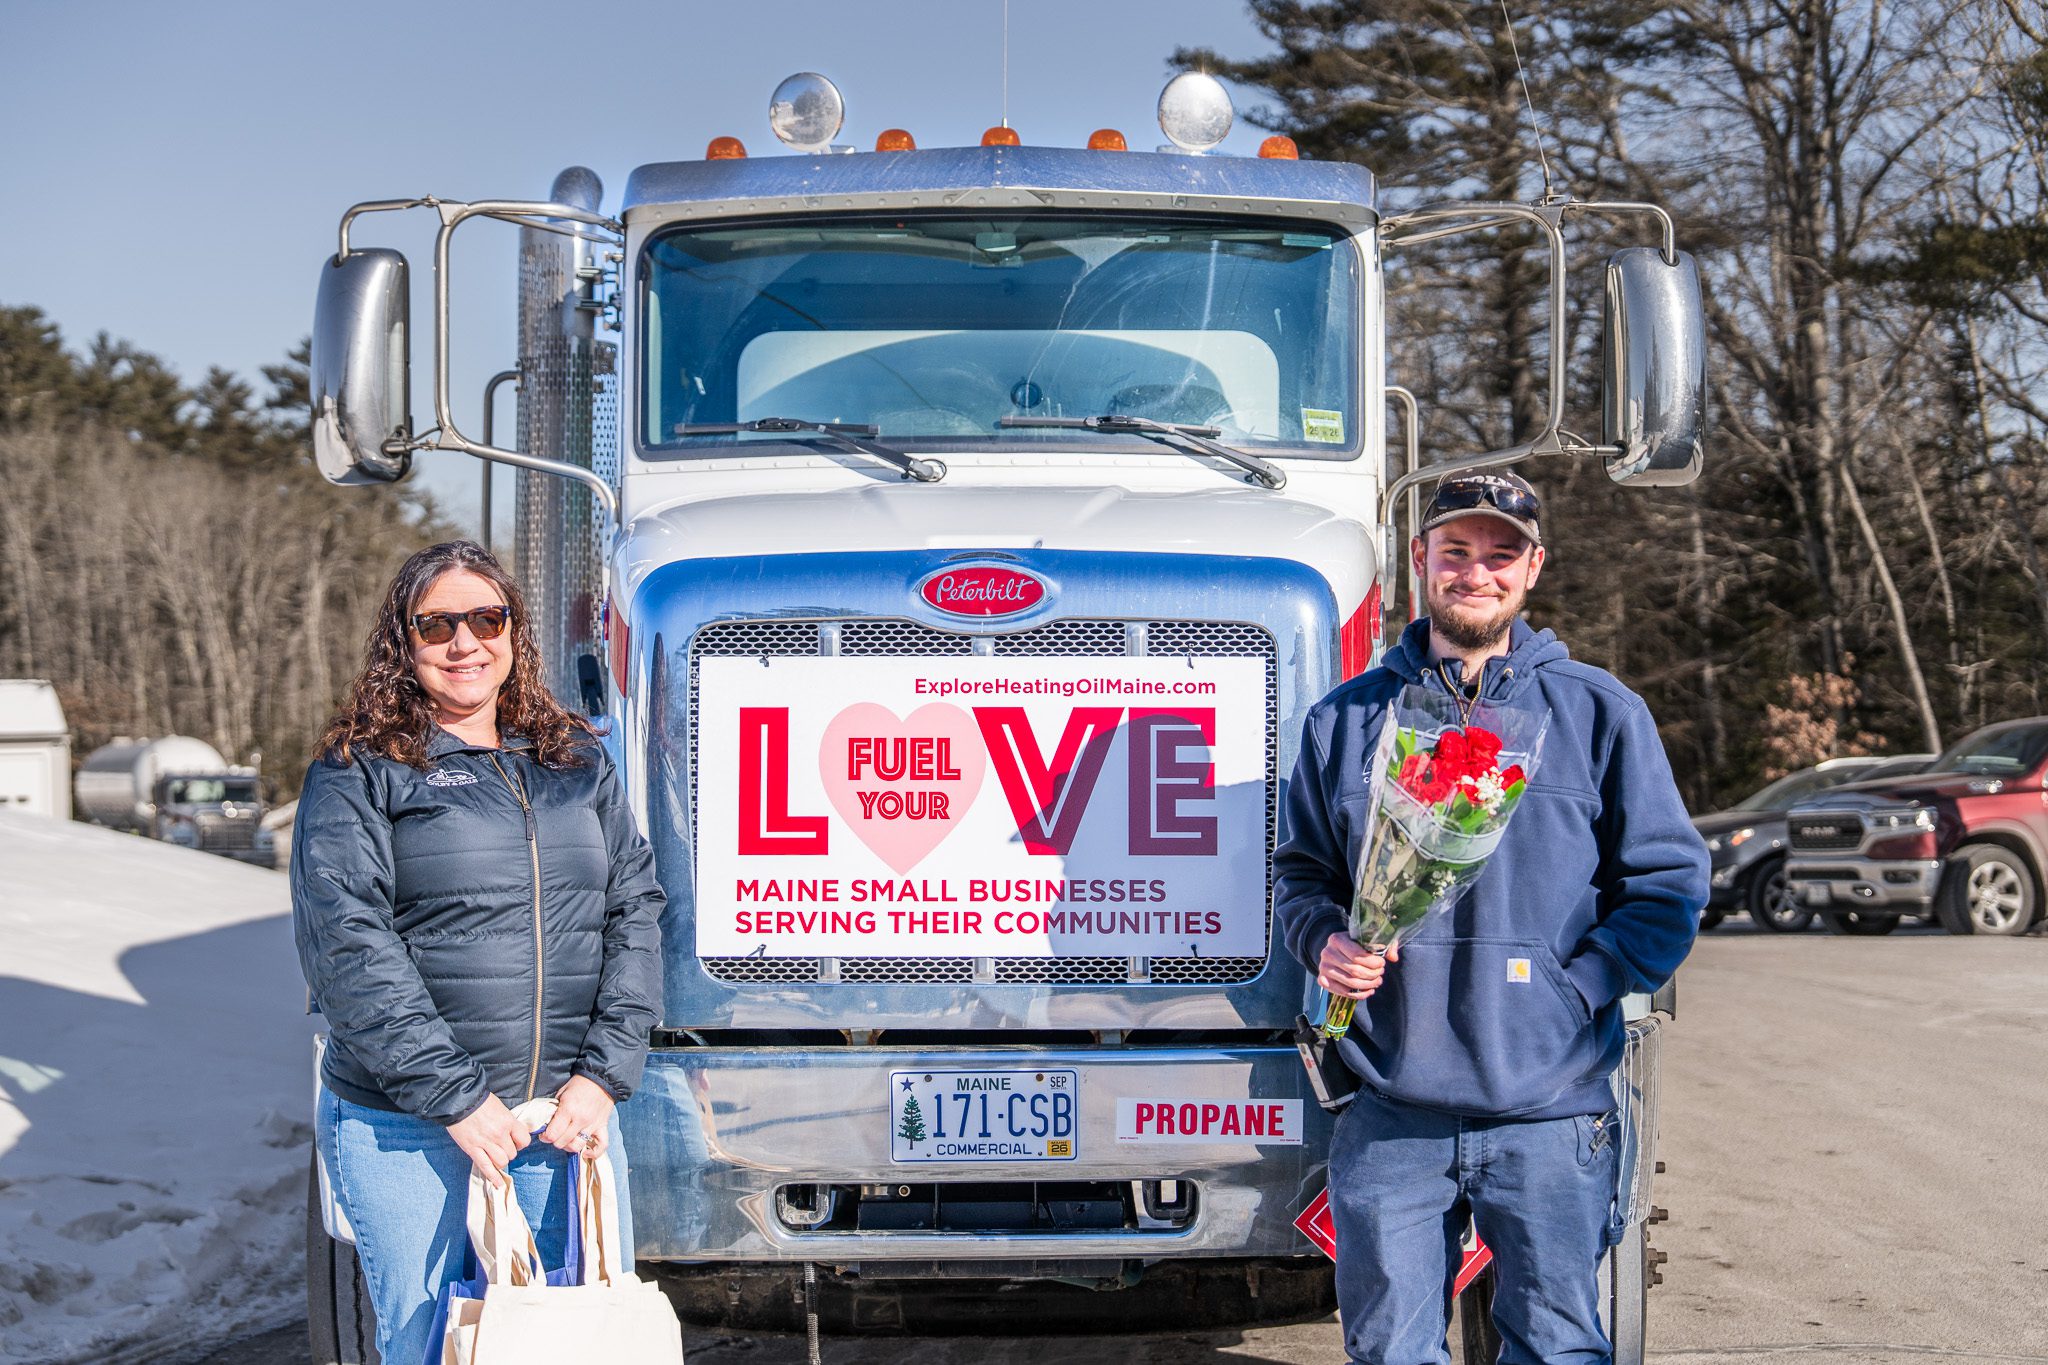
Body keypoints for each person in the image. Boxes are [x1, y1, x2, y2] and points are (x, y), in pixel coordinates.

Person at [1275, 470, 1707, 1363]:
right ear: (1421, 561)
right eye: (1456, 551)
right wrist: (1327, 942)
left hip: (1548, 1109)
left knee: (1553, 1348)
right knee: (1391, 1351)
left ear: (1534, 568)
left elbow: (1668, 886)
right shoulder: (1345, 720)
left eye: (1500, 554)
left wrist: (1575, 986)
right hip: (1391, 1102)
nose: (1477, 572)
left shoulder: (1600, 714)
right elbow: (1301, 872)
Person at [292, 540, 664, 1364]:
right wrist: (456, 1098)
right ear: (404, 641)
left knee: (570, 1344)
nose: (465, 642)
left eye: (485, 618)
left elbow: (634, 909)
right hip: (412, 1129)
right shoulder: (360, 771)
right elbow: (348, 944)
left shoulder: (574, 760)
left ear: (514, 632)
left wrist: (603, 1075)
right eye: (437, 625)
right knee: (435, 1347)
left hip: (563, 1125)